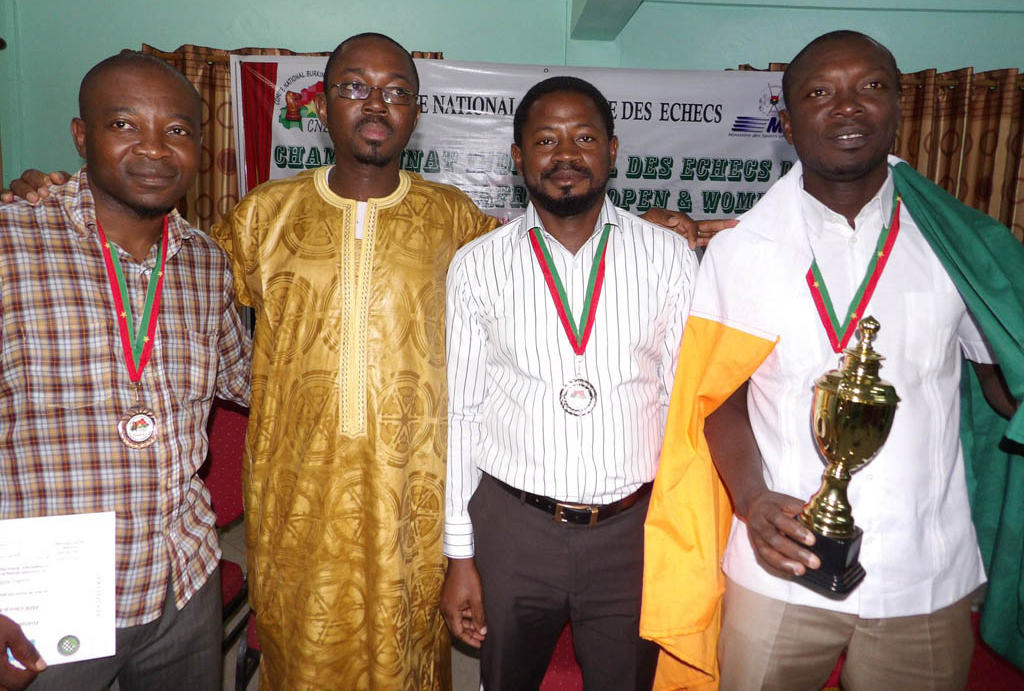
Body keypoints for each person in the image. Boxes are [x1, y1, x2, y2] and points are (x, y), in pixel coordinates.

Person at [7, 35, 719, 691]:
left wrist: (651, 222)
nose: (375, 104)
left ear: (415, 113)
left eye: (394, 91)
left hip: (412, 499)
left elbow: (554, 244)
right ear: (323, 107)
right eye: (354, 87)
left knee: (409, 655)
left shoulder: (457, 222)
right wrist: (48, 194)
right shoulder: (261, 215)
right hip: (297, 503)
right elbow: (166, 275)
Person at [642, 30, 1023, 691]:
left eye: (870, 87)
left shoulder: (961, 246)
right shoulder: (741, 252)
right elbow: (716, 400)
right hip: (778, 572)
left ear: (899, 106)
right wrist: (752, 498)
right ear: (787, 124)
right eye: (820, 93)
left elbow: (1001, 387)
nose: (847, 107)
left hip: (924, 574)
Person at [0, 51, 251, 691]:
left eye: (177, 130)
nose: (154, 150)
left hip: (181, 573)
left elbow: (250, 381)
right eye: (124, 126)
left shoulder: (206, 262)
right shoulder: (11, 241)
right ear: (82, 136)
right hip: (43, 595)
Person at [440, 76, 698, 691]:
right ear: (518, 157)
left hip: (632, 531)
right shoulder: (478, 263)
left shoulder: (667, 256)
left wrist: (683, 534)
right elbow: (463, 412)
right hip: (513, 529)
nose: (565, 156)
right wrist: (460, 554)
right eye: (545, 140)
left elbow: (680, 404)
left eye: (584, 137)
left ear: (613, 149)